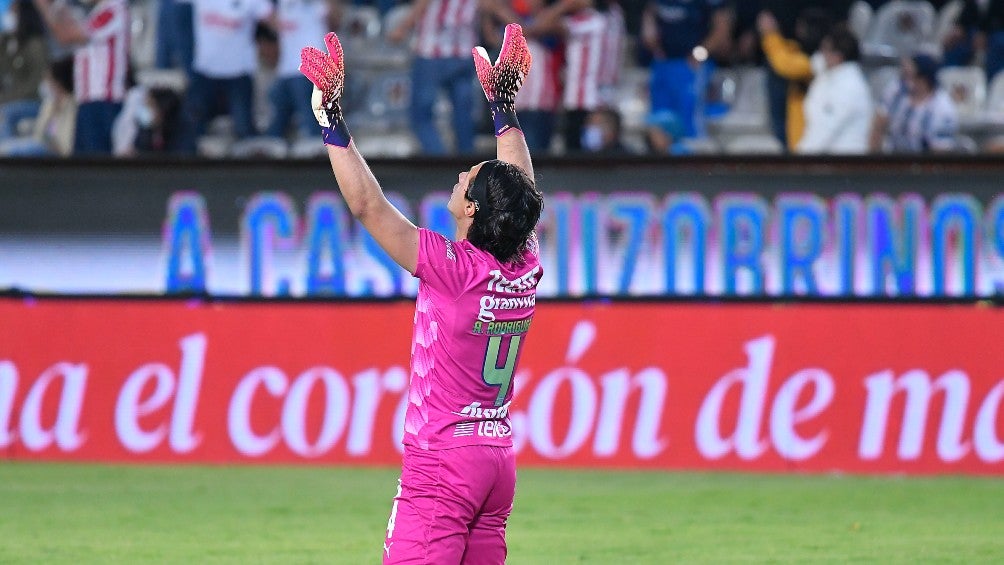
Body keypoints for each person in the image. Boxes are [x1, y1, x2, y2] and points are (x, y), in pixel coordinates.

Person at [299, 23, 543, 562]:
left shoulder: (454, 268)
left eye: (467, 179)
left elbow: (369, 209)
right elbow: (522, 194)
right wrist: (504, 111)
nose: (460, 175)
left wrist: (332, 124)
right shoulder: (524, 264)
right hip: (496, 459)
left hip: (443, 463)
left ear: (474, 209)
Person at [32, 0, 129, 155]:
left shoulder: (113, 10)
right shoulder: (97, 13)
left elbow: (67, 36)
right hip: (88, 100)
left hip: (103, 101)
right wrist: (58, 8)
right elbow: (65, 33)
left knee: (95, 165)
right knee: (81, 167)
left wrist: (44, 6)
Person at [177, 0, 274, 154]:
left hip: (239, 74)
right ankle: (183, 172)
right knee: (190, 126)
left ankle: (252, 174)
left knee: (244, 129)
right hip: (205, 73)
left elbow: (273, 20)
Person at [388, 0, 483, 154]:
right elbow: (490, 6)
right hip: (464, 52)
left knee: (421, 114)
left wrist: (402, 28)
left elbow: (423, 3)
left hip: (432, 53)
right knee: (463, 114)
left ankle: (438, 159)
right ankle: (467, 161)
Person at [797, 24, 872, 154]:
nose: (821, 55)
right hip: (826, 162)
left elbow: (824, 129)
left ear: (838, 55)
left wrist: (797, 162)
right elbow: (816, 64)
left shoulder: (849, 86)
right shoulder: (829, 77)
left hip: (844, 164)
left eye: (825, 50)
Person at [869, 53, 959, 153]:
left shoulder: (943, 109)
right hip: (892, 160)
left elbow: (941, 151)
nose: (904, 80)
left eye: (909, 75)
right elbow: (877, 127)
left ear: (923, 79)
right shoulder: (896, 91)